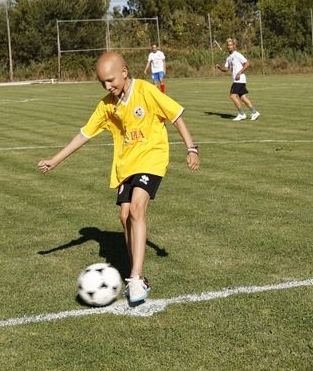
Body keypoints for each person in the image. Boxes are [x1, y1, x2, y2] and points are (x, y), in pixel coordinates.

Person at [37, 51, 200, 305]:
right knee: (124, 216)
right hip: (126, 164)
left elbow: (175, 114)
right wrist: (55, 160)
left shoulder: (145, 90)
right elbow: (83, 135)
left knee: (137, 208)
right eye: (102, 82)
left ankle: (135, 277)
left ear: (124, 72)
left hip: (152, 157)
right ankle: (139, 272)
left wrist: (191, 148)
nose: (107, 86)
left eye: (111, 80)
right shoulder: (107, 105)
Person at [215, 38, 260, 121]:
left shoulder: (237, 55)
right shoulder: (229, 57)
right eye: (228, 45)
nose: (229, 47)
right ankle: (255, 112)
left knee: (232, 96)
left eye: (231, 45)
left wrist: (239, 73)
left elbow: (247, 64)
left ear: (234, 46)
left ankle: (242, 114)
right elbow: (226, 69)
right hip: (238, 80)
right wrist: (219, 67)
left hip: (239, 79)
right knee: (243, 97)